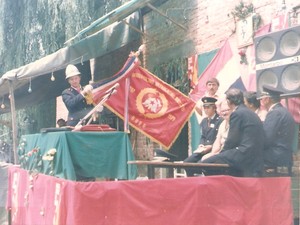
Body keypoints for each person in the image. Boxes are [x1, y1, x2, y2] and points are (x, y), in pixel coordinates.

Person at [202, 88, 265, 177]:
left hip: (244, 153)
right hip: (254, 154)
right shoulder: (251, 113)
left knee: (206, 163)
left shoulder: (237, 114)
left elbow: (232, 140)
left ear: (228, 101)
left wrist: (222, 154)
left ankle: (222, 188)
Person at [258, 85, 295, 169]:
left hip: (274, 156)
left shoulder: (275, 113)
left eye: (261, 98)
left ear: (267, 99)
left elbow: (266, 139)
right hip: (284, 155)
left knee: (248, 158)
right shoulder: (284, 111)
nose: (261, 100)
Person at [184, 97, 223, 176]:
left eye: (208, 107)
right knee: (186, 163)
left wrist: (211, 146)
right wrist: (201, 144)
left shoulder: (220, 120)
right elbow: (203, 136)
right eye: (204, 107)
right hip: (203, 149)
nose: (206, 110)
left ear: (214, 108)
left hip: (213, 150)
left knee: (200, 165)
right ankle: (191, 181)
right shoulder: (204, 121)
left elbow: (220, 138)